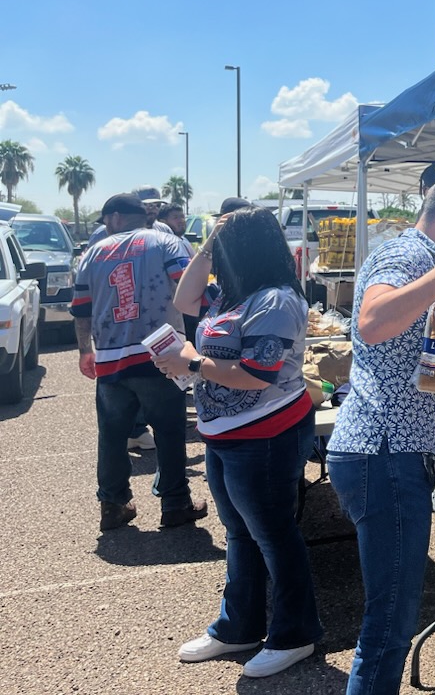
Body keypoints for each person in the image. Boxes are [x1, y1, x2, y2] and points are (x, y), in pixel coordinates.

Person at [325, 174, 435, 695]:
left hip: (390, 450)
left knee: (392, 613)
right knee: (389, 622)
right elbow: (374, 321)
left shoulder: (424, 259)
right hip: (385, 452)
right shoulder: (410, 255)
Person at [157, 206, 323, 678]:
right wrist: (209, 243)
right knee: (240, 533)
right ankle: (238, 627)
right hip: (226, 436)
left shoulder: (275, 300)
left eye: (225, 243)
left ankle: (295, 635)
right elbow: (184, 297)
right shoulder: (230, 295)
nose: (217, 251)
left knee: (273, 535)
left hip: (266, 435)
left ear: (246, 248)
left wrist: (189, 363)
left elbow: (256, 375)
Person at [71, 193, 208, 531]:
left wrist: (83, 350)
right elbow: (192, 294)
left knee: (112, 434)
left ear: (115, 218)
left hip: (110, 358)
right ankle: (175, 502)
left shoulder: (91, 254)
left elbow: (81, 309)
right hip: (160, 353)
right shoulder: (167, 243)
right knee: (170, 430)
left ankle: (113, 504)